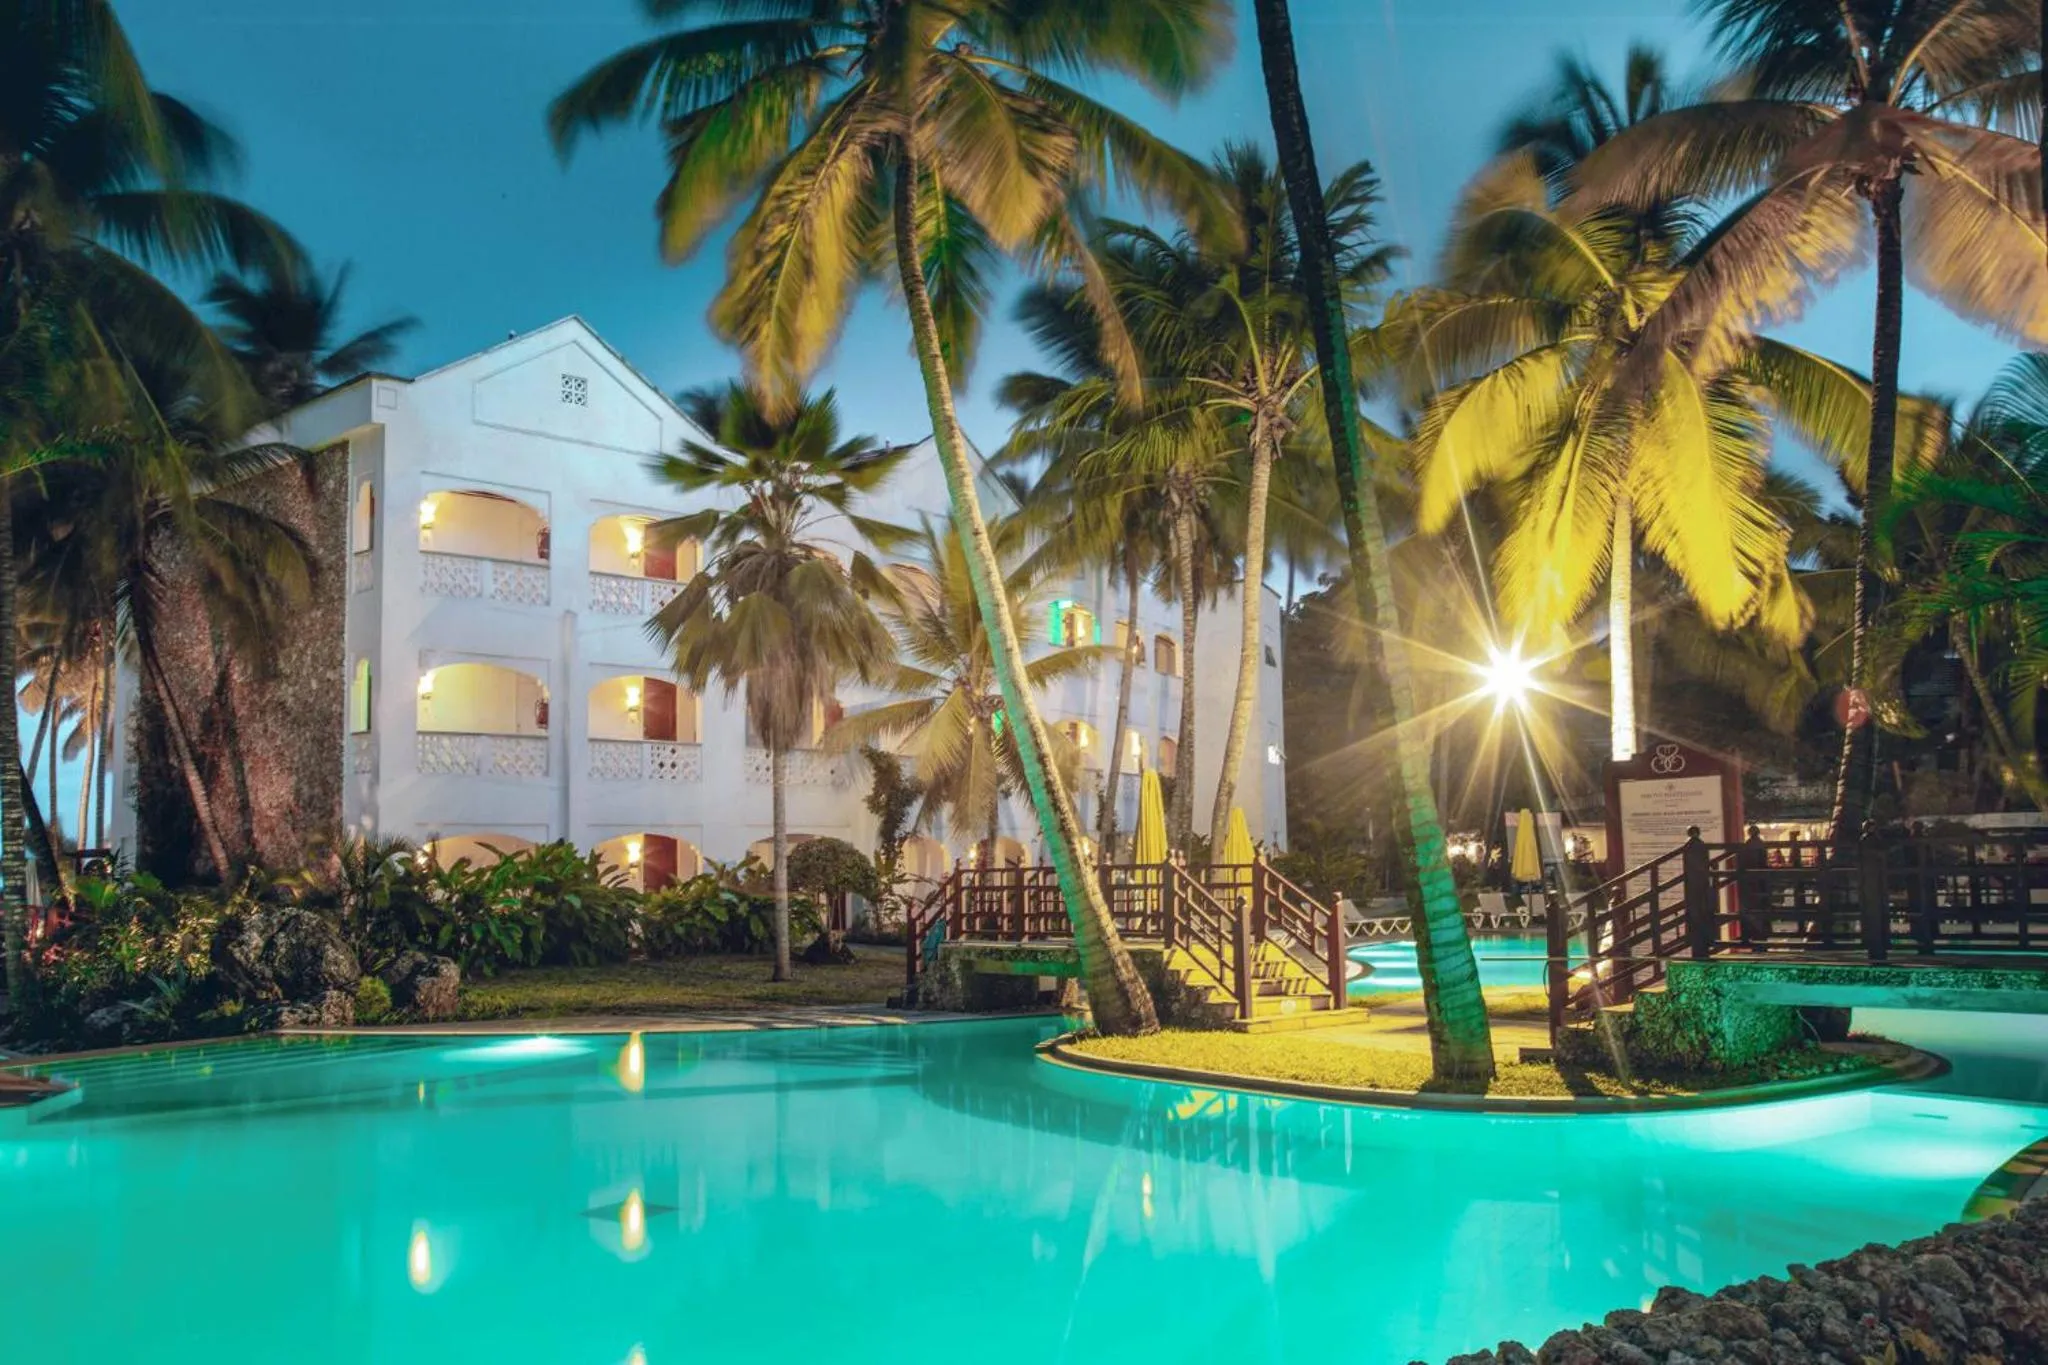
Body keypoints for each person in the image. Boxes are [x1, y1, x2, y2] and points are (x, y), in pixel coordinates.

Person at [1736, 824, 1773, 949]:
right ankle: (1762, 938)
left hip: (1749, 881)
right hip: (1761, 880)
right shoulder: (1761, 844)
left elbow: (1743, 862)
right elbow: (1763, 862)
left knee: (1751, 910)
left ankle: (1753, 938)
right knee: (1761, 908)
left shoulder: (1746, 845)